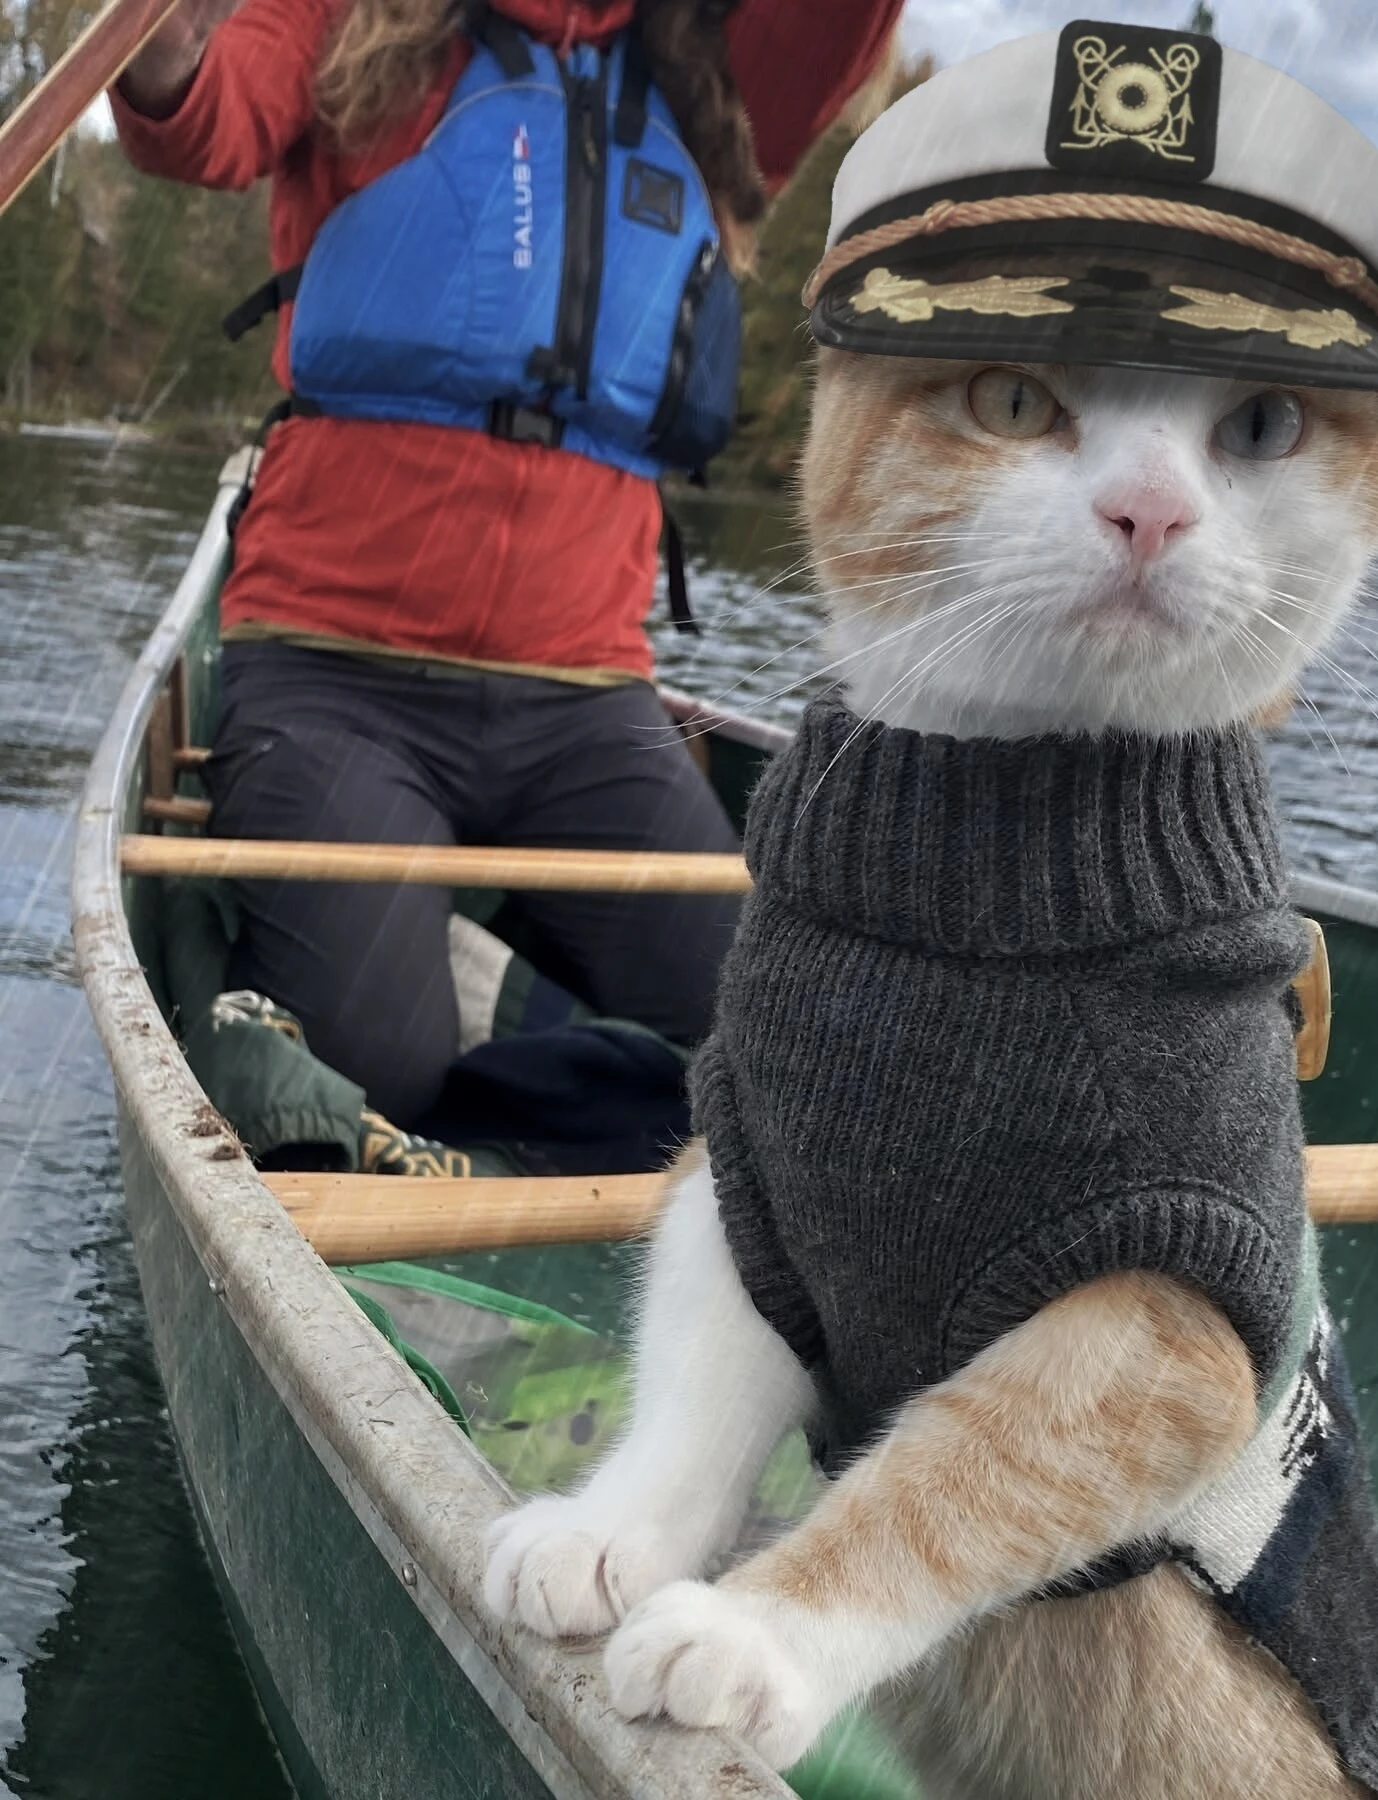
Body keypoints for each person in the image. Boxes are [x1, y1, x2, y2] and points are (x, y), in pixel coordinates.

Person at [111, 0, 901, 1128]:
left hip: (582, 701)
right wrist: (167, 52)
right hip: (337, 677)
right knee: (375, 1084)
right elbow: (208, 117)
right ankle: (487, 1014)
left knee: (786, 1047)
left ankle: (502, 1000)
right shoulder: (351, 20)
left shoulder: (707, 67)